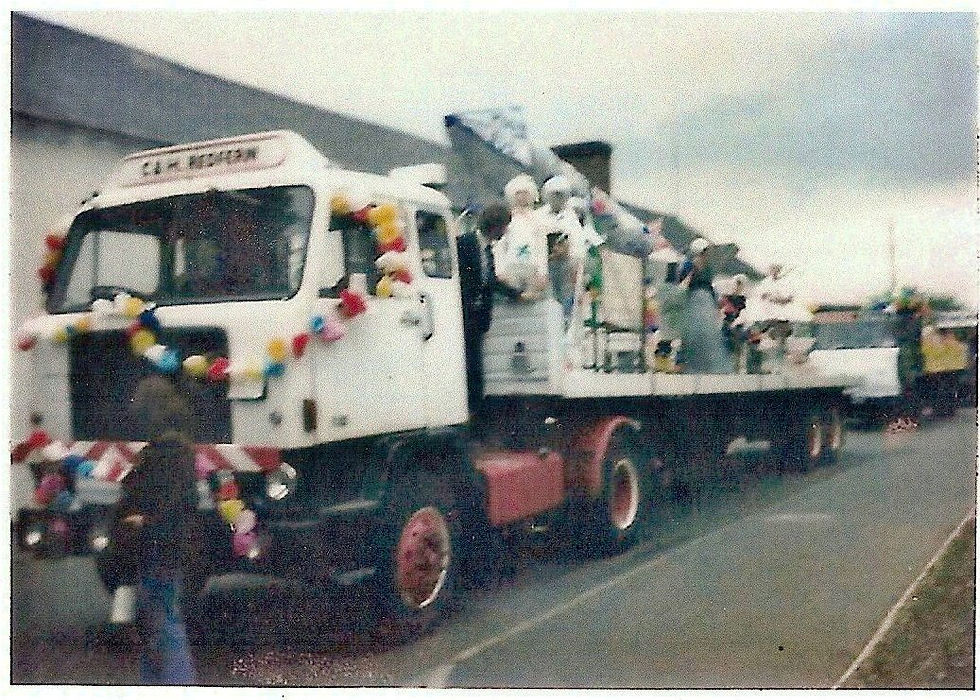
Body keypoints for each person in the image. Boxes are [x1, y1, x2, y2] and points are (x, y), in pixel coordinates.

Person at [115, 376, 199, 684]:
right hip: (171, 546)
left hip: (156, 546)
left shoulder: (161, 454)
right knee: (159, 619)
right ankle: (157, 682)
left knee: (162, 621)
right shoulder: (180, 450)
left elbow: (158, 502)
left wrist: (142, 521)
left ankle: (176, 683)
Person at [677, 238, 733, 374]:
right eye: (706, 251)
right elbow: (683, 281)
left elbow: (709, 285)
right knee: (694, 332)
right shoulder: (689, 264)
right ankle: (688, 364)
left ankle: (706, 366)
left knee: (707, 333)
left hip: (705, 300)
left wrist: (715, 302)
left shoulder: (707, 267)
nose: (707, 254)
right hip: (694, 298)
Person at [494, 174, 549, 299]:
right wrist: (500, 270)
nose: (522, 197)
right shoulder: (506, 219)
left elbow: (542, 247)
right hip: (511, 267)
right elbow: (500, 245)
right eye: (518, 193)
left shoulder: (538, 220)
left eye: (525, 193)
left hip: (532, 267)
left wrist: (542, 272)